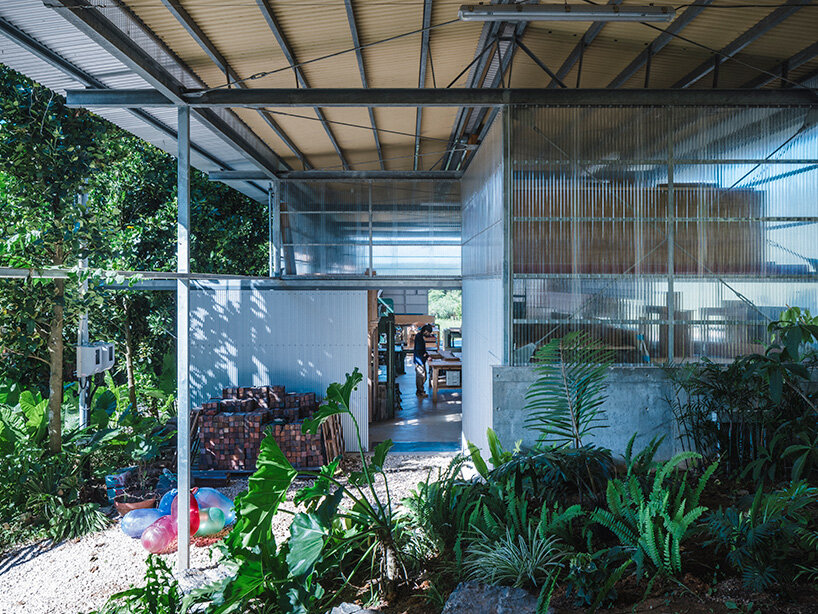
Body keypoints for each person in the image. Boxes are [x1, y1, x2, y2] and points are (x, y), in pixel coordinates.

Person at [413, 324, 433, 397]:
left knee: (423, 377)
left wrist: (426, 355)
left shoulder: (420, 336)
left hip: (421, 359)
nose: (429, 334)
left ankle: (420, 390)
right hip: (419, 360)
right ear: (425, 331)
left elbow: (422, 350)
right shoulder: (419, 337)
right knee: (420, 376)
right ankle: (420, 392)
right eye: (428, 333)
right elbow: (419, 350)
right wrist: (426, 356)